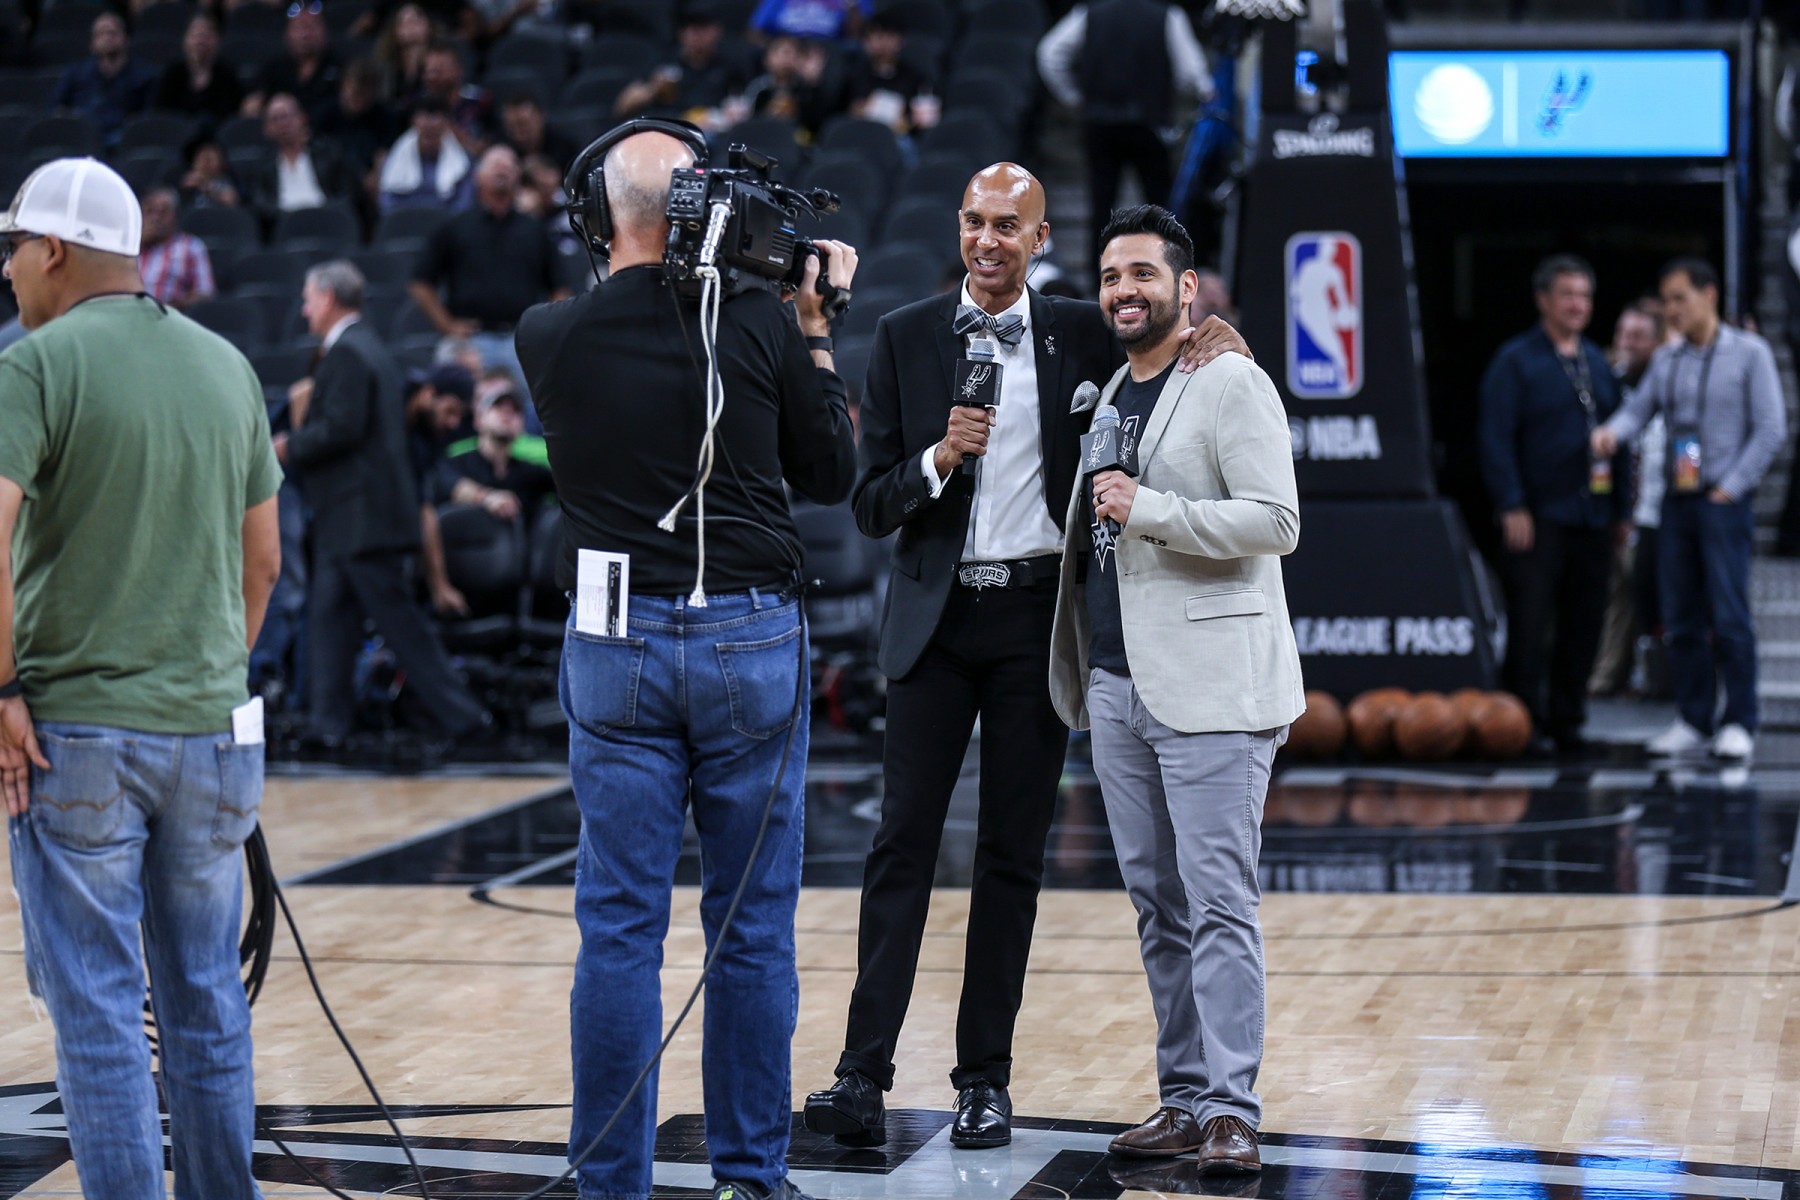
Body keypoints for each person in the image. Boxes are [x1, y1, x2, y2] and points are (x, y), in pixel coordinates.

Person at [803, 163, 1249, 1151]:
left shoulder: (1084, 331)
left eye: (1009, 225)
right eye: (974, 221)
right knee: (900, 846)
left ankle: (984, 1081)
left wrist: (1218, 333)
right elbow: (868, 504)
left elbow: (1171, 345)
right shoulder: (905, 334)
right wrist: (938, 459)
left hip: (1036, 626)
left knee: (1011, 856)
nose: (988, 239)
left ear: (1040, 240)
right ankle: (862, 1074)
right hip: (933, 622)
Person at [514, 123, 858, 1200]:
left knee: (618, 930)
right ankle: (749, 1180)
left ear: (594, 217)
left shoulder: (545, 334)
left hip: (612, 642)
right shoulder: (757, 321)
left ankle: (608, 1185)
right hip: (748, 637)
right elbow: (831, 471)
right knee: (749, 929)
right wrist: (814, 328)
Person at [0, 156, 281, 1198]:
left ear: (54, 251)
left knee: (100, 1012)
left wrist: (1, 694)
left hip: (75, 735)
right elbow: (265, 563)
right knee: (208, 1000)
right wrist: (207, 677)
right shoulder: (228, 366)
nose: (8, 271)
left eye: (13, 250)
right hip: (212, 733)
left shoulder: (33, 366)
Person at [1047, 201, 1300, 1173]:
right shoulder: (1113, 387)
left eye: (1144, 274)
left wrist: (1150, 509)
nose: (1125, 291)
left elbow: (1276, 522)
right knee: (1159, 908)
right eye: (1112, 276)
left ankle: (1234, 1109)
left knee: (1219, 904)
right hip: (1118, 685)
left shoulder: (1231, 379)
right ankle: (1185, 1099)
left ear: (1186, 288)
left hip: (1212, 689)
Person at [275, 260, 489, 749]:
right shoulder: (368, 346)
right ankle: (328, 726)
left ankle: (466, 721)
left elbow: (341, 428)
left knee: (401, 628)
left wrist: (289, 445)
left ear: (328, 298)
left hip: (364, 521)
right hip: (349, 520)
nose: (304, 310)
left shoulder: (349, 352)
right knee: (330, 622)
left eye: (308, 299)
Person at [1593, 258, 1787, 761]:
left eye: (1680, 298)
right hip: (1676, 502)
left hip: (1723, 501)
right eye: (1667, 301)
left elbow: (1771, 427)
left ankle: (1739, 719)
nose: (1672, 310)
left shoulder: (1749, 353)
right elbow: (1639, 409)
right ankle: (1693, 717)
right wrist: (1611, 433)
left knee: (1729, 614)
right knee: (1679, 616)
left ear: (1709, 295)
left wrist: (1733, 486)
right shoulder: (1668, 360)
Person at [1477, 255, 1628, 755]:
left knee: (1585, 620)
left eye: (1584, 295)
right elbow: (1495, 437)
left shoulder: (1597, 361)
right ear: (1543, 299)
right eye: (1567, 294)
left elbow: (1618, 436)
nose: (1577, 304)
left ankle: (1568, 721)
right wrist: (1510, 503)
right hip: (1538, 514)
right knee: (1531, 621)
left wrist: (1622, 510)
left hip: (1592, 514)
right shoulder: (1515, 361)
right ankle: (1521, 724)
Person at [1037, 0, 1211, 265]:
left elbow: (1050, 54)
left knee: (1101, 205)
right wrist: (1202, 93)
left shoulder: (1089, 14)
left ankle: (1098, 273)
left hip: (1101, 124)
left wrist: (1075, 98)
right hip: (1150, 124)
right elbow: (1191, 71)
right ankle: (1164, 268)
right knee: (1160, 208)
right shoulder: (1167, 15)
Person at [408, 144, 565, 392]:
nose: (502, 169)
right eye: (495, 165)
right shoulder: (454, 227)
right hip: (471, 341)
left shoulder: (535, 230)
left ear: (518, 178)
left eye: (509, 165)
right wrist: (447, 325)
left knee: (536, 403)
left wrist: (545, 331)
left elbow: (561, 288)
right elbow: (420, 283)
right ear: (477, 177)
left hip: (522, 340)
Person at [1590, 300, 1664, 696]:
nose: (1626, 344)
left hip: (1659, 511)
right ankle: (1607, 674)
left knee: (1648, 594)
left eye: (1637, 336)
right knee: (1615, 592)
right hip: (1616, 505)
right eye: (1622, 335)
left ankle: (1655, 676)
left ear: (1656, 342)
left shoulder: (1668, 381)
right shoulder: (1607, 382)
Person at [437, 374, 554, 522]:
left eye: (516, 409)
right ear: (478, 419)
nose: (507, 413)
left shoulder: (530, 473)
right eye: (498, 406)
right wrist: (486, 497)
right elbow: (449, 484)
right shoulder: (457, 462)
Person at [613, 3, 753, 124]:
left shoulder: (730, 66)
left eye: (701, 28)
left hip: (712, 131)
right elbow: (622, 107)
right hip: (671, 127)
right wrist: (653, 89)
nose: (694, 34)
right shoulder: (665, 62)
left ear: (716, 31)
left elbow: (742, 105)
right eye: (688, 28)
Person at [246, 93, 359, 228]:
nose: (282, 124)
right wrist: (286, 216)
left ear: (302, 118)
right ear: (267, 128)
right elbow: (259, 202)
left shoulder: (328, 153)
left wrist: (327, 211)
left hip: (326, 220)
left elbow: (347, 193)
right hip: (283, 225)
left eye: (286, 116)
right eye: (275, 119)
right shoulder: (262, 164)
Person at [51, 12, 160, 147]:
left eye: (112, 33)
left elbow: (148, 118)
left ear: (126, 38)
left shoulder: (145, 76)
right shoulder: (75, 73)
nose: (107, 38)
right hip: (81, 137)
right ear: (92, 44)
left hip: (124, 141)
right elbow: (56, 109)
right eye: (100, 34)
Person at [245, 0, 341, 121]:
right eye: (299, 27)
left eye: (311, 27)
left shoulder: (340, 68)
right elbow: (253, 104)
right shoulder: (273, 69)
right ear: (287, 34)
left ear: (324, 30)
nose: (306, 35)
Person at [377, 97, 473, 213]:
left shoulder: (462, 163)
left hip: (447, 222)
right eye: (426, 133)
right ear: (414, 125)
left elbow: (463, 205)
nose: (429, 138)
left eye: (434, 133)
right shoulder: (395, 159)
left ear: (445, 128)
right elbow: (387, 203)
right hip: (405, 221)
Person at [154, 13, 244, 121]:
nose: (200, 41)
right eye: (195, 35)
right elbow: (160, 115)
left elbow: (231, 117)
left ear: (217, 40)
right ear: (185, 40)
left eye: (206, 36)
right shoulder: (172, 74)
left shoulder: (227, 76)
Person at [137, 186, 215, 309]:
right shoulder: (130, 247)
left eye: (163, 212)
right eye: (149, 211)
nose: (155, 218)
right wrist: (139, 242)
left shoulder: (191, 247)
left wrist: (174, 306)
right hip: (130, 314)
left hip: (170, 314)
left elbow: (204, 294)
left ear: (175, 216)